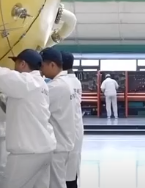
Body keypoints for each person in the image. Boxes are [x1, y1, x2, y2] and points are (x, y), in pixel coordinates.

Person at [0, 49, 55, 188]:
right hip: (44, 150)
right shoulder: (40, 84)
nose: (14, 67)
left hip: (27, 154)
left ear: (23, 64)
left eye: (16, 63)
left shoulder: (27, 82)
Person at [41, 48, 77, 188]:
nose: (41, 71)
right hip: (65, 141)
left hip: (58, 144)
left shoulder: (55, 87)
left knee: (55, 183)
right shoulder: (67, 82)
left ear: (52, 65)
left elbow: (36, 103)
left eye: (42, 66)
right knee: (58, 181)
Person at [61, 53, 84, 188]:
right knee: (71, 173)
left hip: (67, 133)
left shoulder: (61, 84)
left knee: (66, 175)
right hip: (75, 130)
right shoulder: (75, 81)